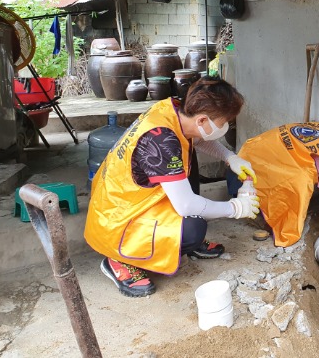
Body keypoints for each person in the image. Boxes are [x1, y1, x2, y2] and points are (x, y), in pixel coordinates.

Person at [84, 77, 260, 297]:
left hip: (134, 197)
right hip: (118, 218)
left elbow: (196, 137)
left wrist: (230, 157)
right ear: (203, 120)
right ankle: (119, 260)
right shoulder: (161, 141)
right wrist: (235, 208)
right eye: (225, 121)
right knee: (192, 229)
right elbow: (186, 205)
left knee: (187, 162)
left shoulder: (174, 110)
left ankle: (175, 243)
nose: (226, 126)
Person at [226, 122, 319, 251]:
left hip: (245, 158)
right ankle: (258, 214)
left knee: (301, 175)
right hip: (245, 178)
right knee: (300, 184)